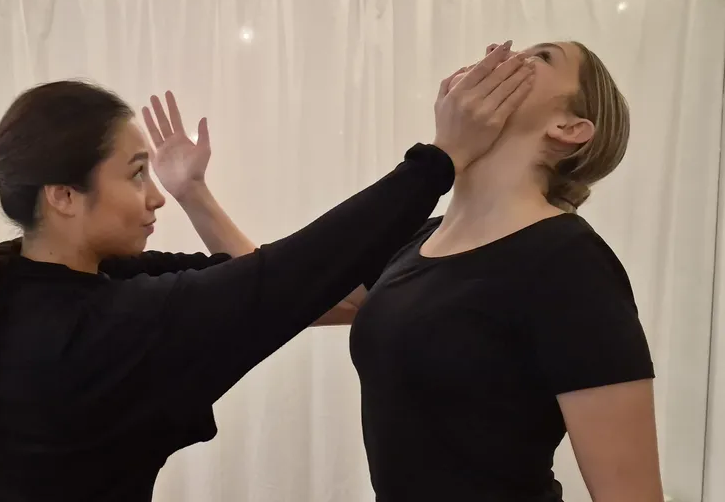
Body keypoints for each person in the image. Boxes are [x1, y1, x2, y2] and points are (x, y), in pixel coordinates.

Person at [0, 43, 534, 500]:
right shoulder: (100, 329)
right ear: (64, 196)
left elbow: (271, 284)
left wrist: (194, 192)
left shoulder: (27, 281)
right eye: (137, 176)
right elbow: (279, 283)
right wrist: (438, 161)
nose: (154, 194)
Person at [164, 42, 663, 502]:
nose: (499, 53)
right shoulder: (419, 238)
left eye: (540, 57)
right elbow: (277, 287)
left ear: (569, 130)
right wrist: (193, 193)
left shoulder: (570, 262)